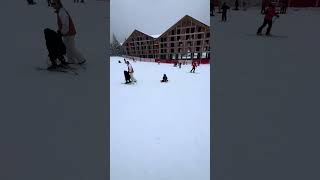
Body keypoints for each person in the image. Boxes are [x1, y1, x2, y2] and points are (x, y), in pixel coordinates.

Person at [51, 0, 86, 65]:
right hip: (66, 33)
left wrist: (61, 32)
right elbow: (62, 24)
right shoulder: (60, 12)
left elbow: (65, 24)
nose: (52, 5)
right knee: (67, 48)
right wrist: (60, 31)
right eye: (52, 4)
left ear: (58, 4)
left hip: (69, 33)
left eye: (54, 3)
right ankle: (71, 61)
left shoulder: (62, 12)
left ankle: (81, 59)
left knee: (71, 48)